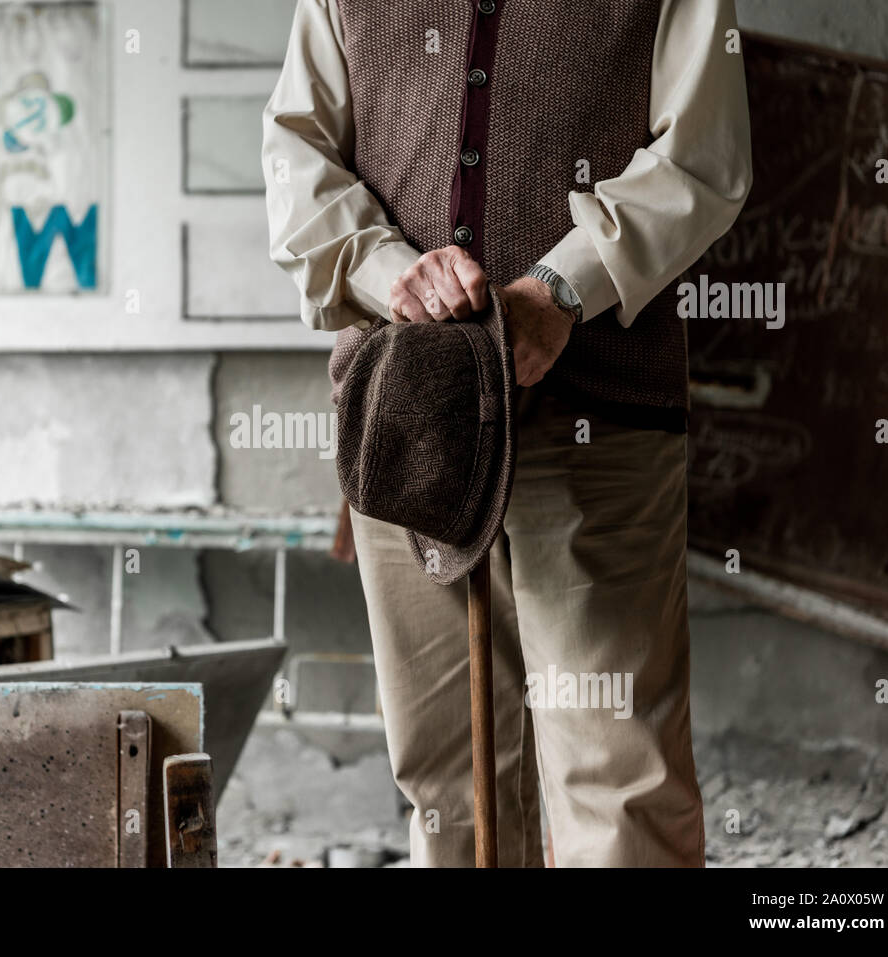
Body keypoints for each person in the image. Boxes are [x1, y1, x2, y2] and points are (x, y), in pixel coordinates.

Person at [263, 0, 753, 867]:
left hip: (600, 419)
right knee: (449, 783)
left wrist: (558, 291)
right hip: (408, 425)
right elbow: (297, 152)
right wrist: (392, 277)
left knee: (620, 787)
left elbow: (701, 156)